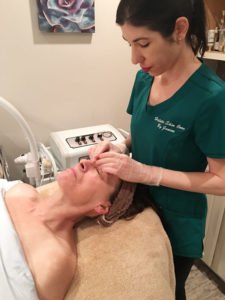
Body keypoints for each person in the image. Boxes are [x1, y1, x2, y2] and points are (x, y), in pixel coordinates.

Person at [88, 0, 225, 299]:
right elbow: (144, 133)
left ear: (179, 29)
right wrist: (120, 145)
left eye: (143, 43)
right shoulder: (144, 78)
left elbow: (221, 180)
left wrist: (146, 173)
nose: (135, 58)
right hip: (138, 209)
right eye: (129, 45)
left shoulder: (212, 98)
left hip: (177, 223)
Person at [0, 159, 123, 300]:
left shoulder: (55, 260)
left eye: (99, 171)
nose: (83, 162)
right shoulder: (22, 190)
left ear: (100, 207)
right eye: (90, 158)